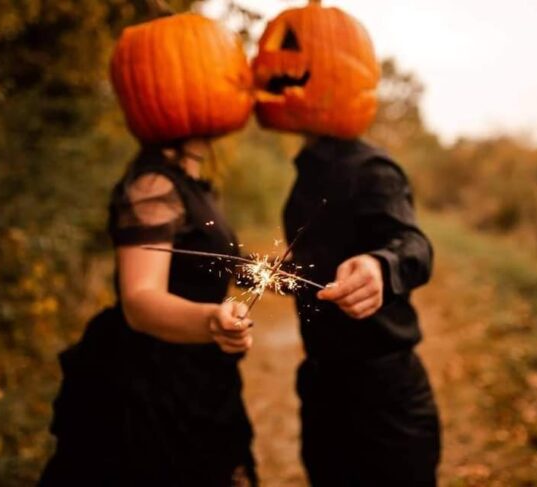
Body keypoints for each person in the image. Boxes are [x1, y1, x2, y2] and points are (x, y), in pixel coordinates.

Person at [39, 13, 257, 487]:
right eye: (221, 64)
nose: (242, 76)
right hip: (154, 390)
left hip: (200, 375)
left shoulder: (194, 184)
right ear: (178, 83)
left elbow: (210, 263)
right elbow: (140, 301)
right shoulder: (153, 186)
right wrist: (210, 321)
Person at [252, 4, 441, 485]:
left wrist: (381, 266)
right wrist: (269, 274)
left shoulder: (370, 170)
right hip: (323, 383)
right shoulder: (307, 171)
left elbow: (414, 245)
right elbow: (320, 271)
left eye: (290, 45)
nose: (270, 61)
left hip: (382, 396)